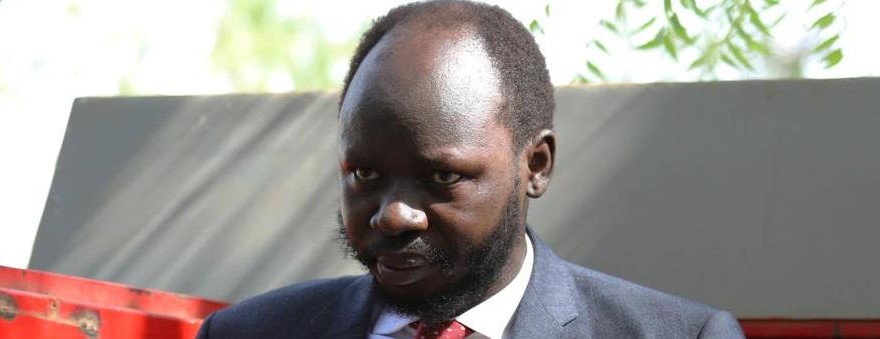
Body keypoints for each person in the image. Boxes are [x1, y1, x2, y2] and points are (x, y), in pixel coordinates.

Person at [196, 1, 745, 338]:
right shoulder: (247, 333)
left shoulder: (676, 335)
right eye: (365, 175)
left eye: (440, 177)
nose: (393, 216)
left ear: (535, 165)